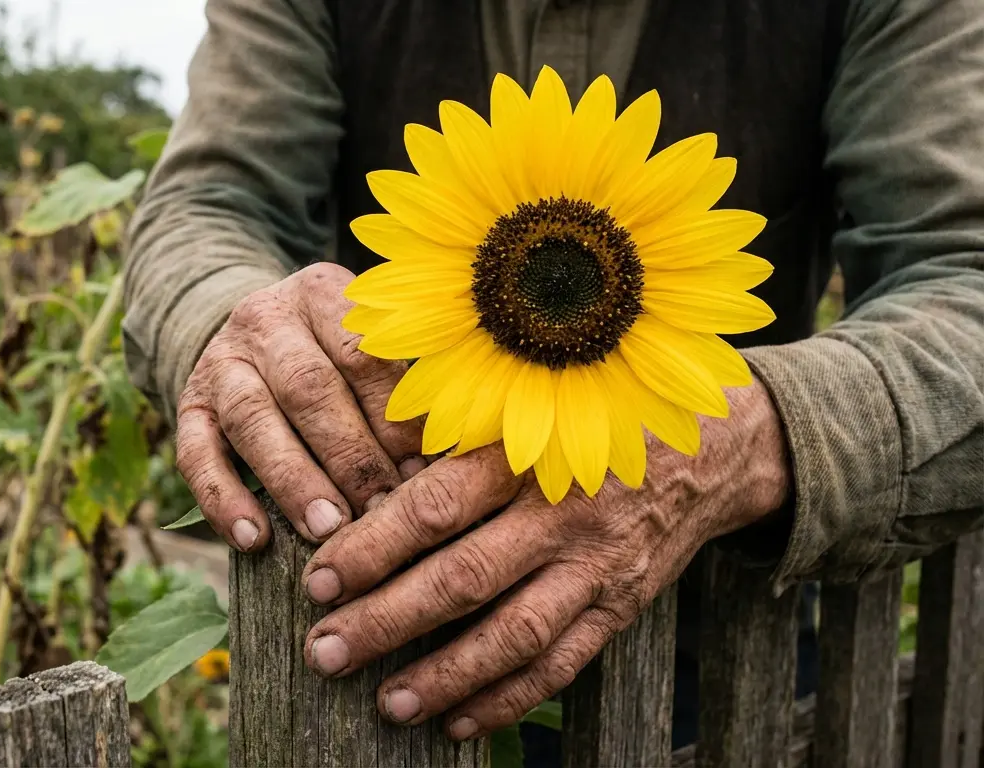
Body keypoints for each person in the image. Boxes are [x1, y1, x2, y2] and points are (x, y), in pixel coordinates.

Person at [122, 0, 984, 761]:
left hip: (725, 665)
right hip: (368, 641)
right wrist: (247, 338)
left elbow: (967, 277)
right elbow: (210, 201)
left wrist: (753, 436)